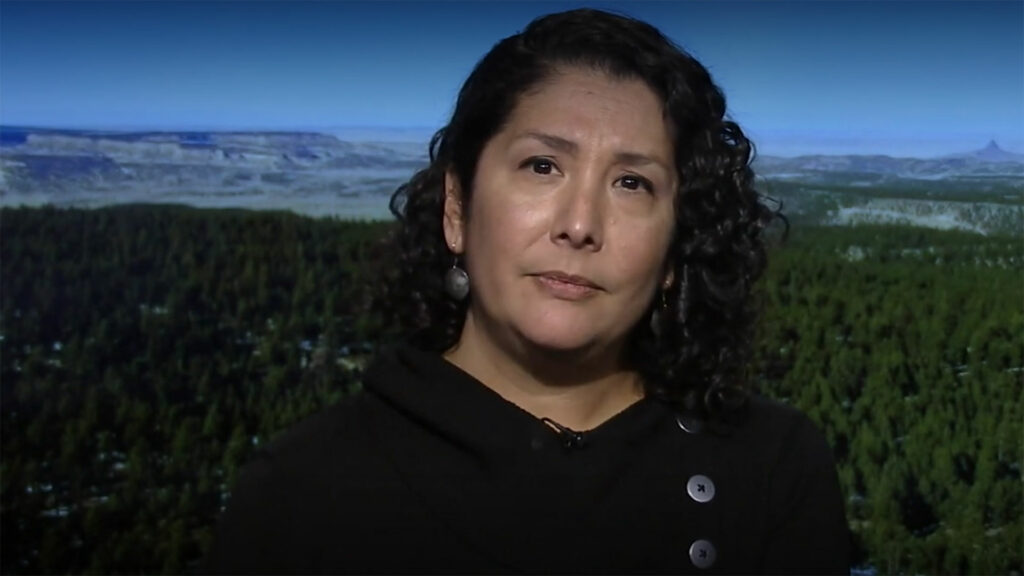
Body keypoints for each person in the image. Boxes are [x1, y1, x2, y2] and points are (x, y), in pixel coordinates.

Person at [202, 8, 849, 574]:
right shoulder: (300, 492)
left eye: (632, 184)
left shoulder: (771, 470)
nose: (579, 225)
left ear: (677, 250)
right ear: (457, 207)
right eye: (543, 166)